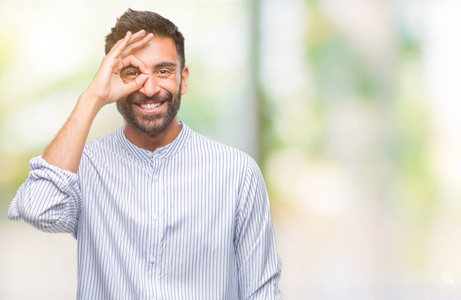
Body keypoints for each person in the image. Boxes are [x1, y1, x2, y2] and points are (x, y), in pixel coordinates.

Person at [8, 9, 282, 299]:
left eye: (163, 71)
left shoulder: (237, 172)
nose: (149, 88)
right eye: (133, 73)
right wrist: (92, 98)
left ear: (183, 79)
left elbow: (262, 291)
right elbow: (37, 209)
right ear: (111, 78)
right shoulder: (84, 166)